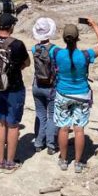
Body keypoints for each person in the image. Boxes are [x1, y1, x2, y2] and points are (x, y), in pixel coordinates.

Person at [52, 20, 98, 173]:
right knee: (79, 130)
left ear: (64, 38)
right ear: (77, 38)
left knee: (63, 128)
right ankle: (77, 162)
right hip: (81, 94)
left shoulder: (56, 53)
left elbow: (43, 45)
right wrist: (95, 26)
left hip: (62, 93)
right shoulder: (85, 55)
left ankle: (63, 160)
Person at [0, 12, 30, 173]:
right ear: (11, 27)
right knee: (13, 125)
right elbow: (26, 62)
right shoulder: (17, 44)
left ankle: (0, 160)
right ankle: (10, 161)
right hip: (14, 88)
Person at [31, 17, 58, 155]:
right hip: (51, 86)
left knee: (40, 115)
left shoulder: (34, 48)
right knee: (52, 115)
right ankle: (51, 144)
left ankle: (38, 142)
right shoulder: (55, 50)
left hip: (37, 85)